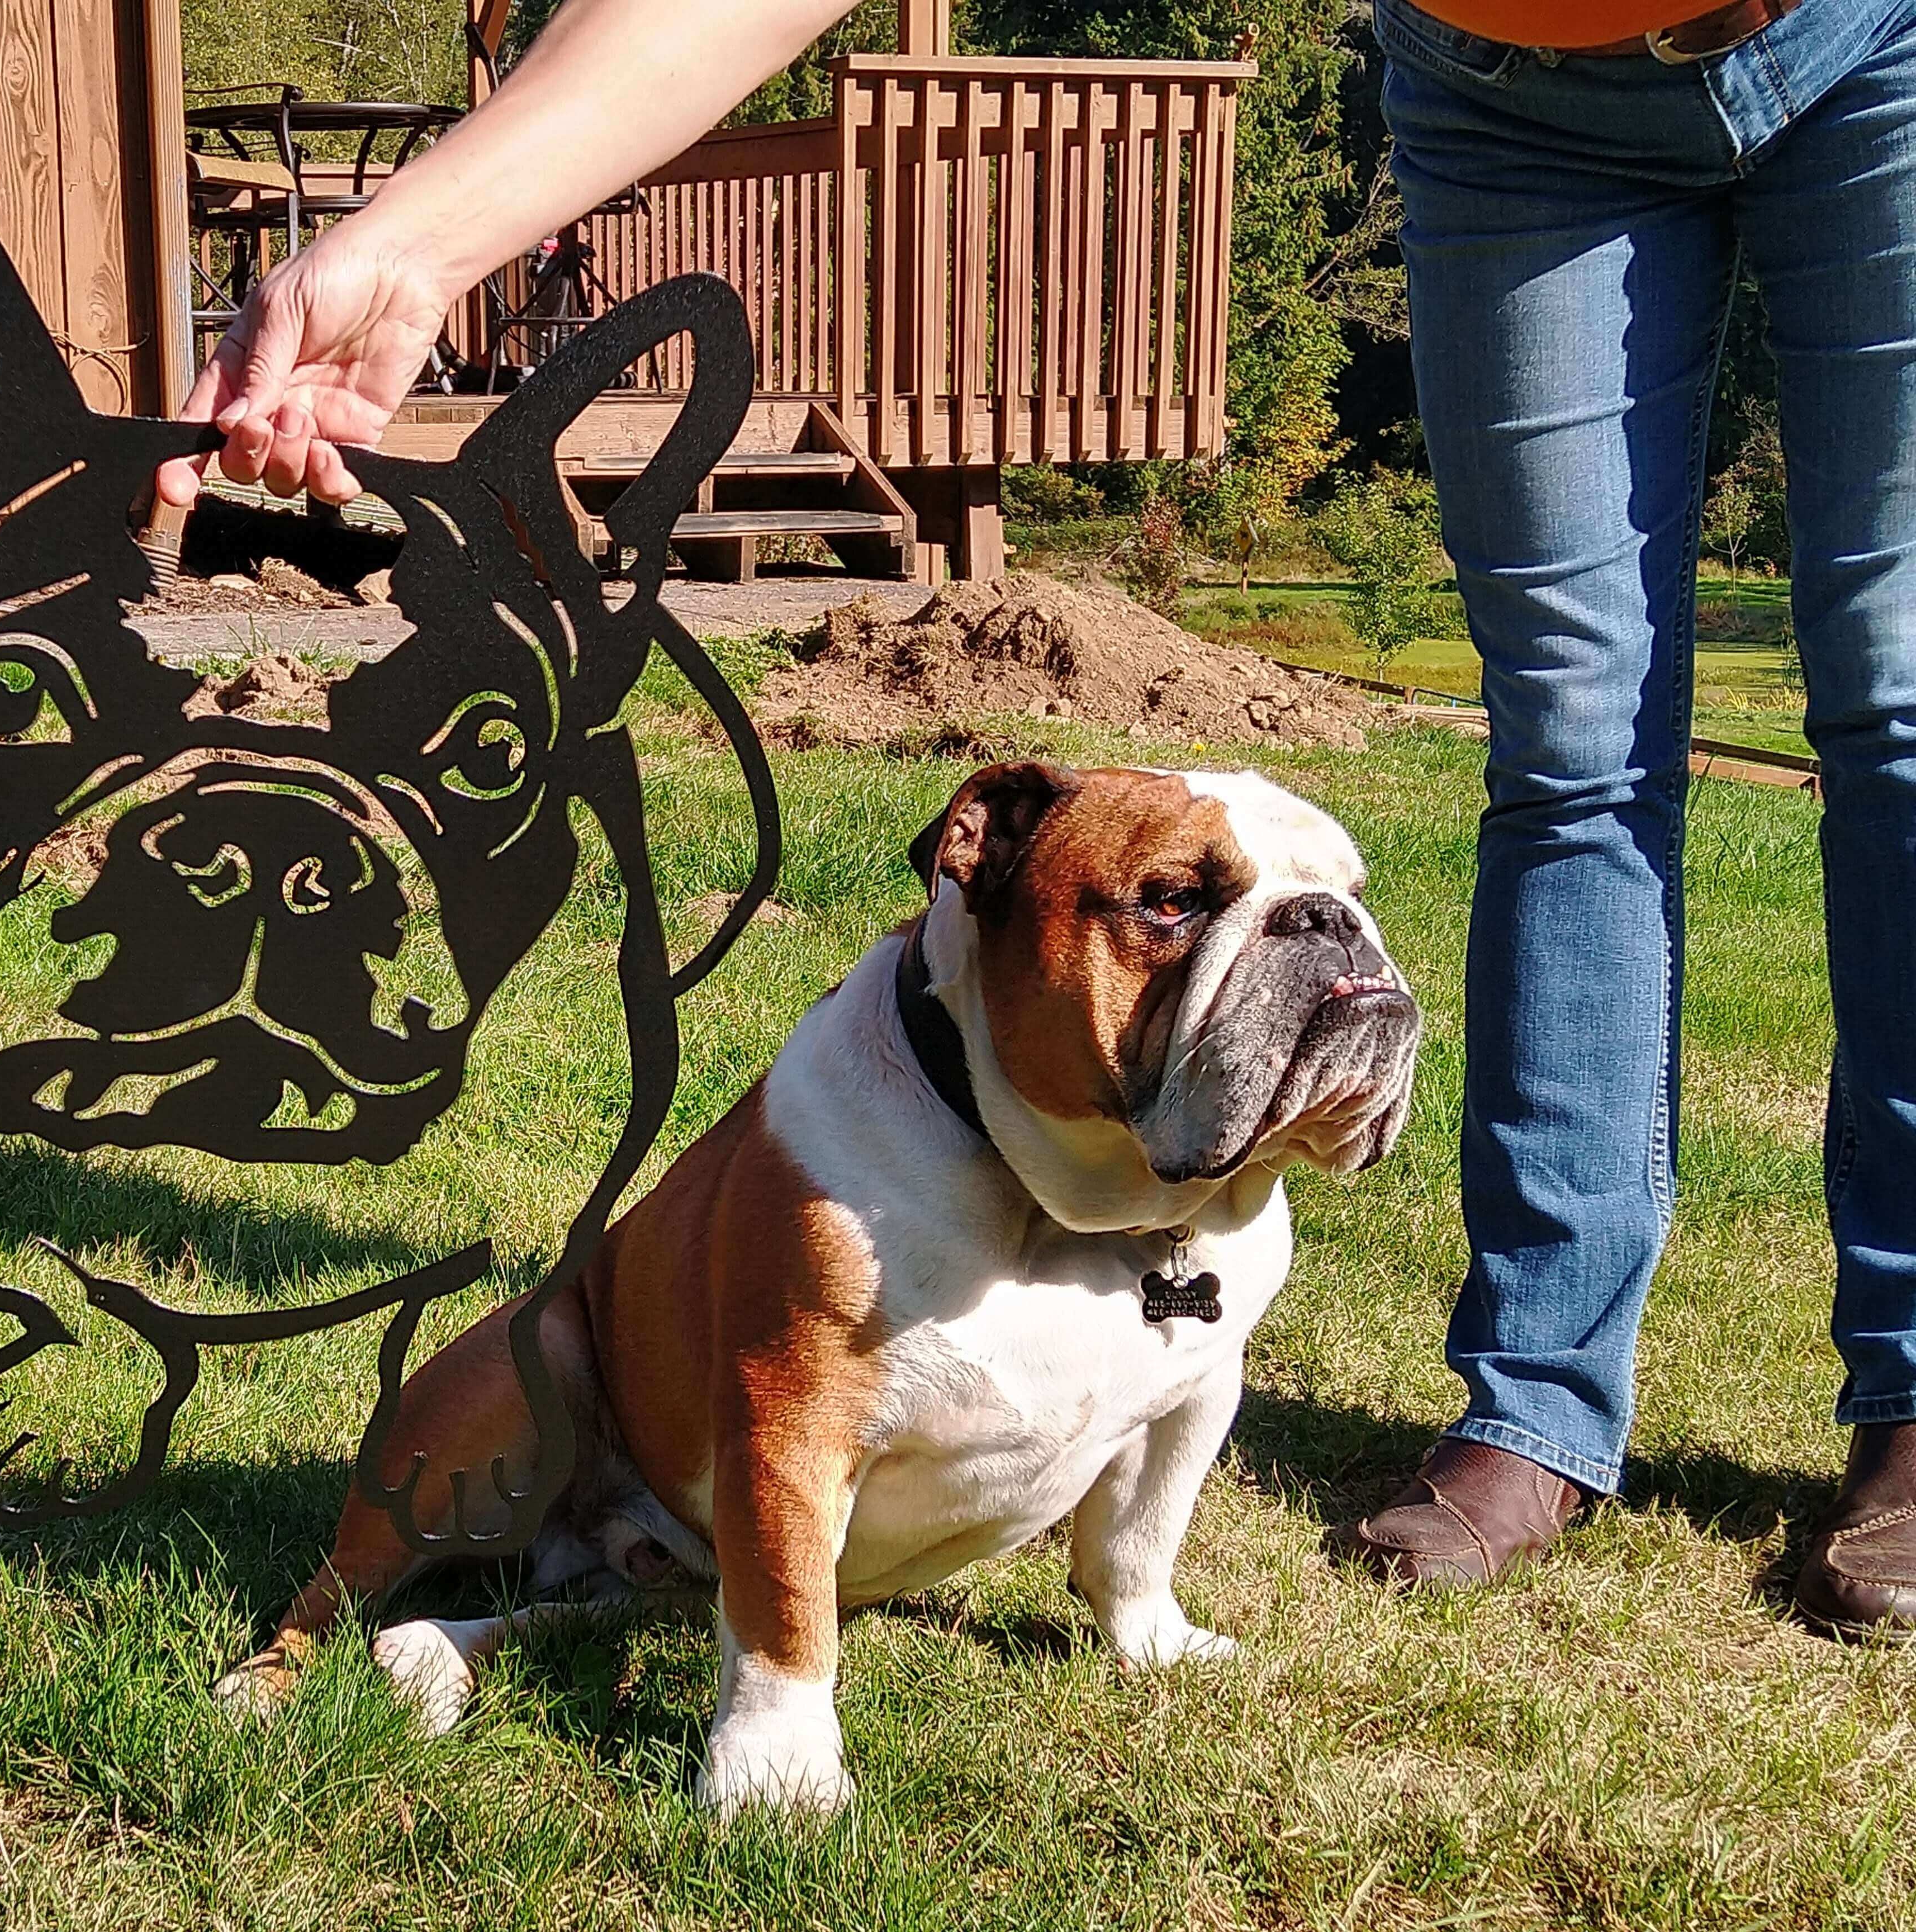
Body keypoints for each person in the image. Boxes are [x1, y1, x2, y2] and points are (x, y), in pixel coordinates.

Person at [156, 0, 1916, 1639]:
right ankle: (1539, 1399)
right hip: (1509, 89)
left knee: (1904, 704)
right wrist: (420, 238)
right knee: (1574, 739)